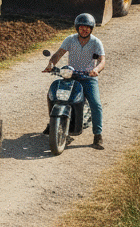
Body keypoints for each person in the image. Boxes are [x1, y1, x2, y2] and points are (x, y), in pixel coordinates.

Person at [43, 12, 106, 149]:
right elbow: (58, 54)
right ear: (77, 28)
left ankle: (98, 135)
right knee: (56, 96)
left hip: (88, 77)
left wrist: (96, 70)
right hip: (70, 75)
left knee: (96, 104)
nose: (84, 30)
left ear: (91, 29)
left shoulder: (96, 42)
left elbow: (102, 60)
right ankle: (53, 123)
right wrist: (51, 65)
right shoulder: (70, 39)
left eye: (87, 28)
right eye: (82, 27)